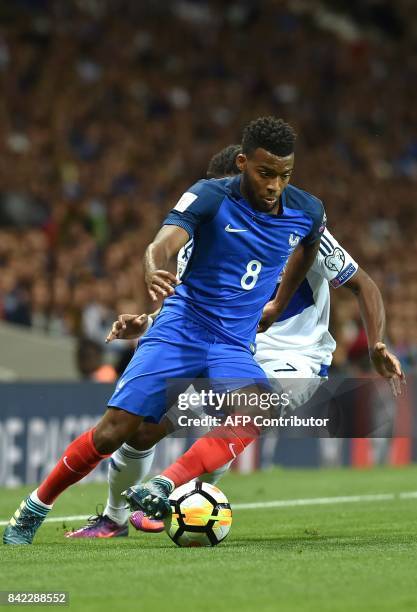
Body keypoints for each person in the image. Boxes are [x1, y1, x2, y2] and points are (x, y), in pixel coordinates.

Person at [3, 116, 327, 545]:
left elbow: (307, 249)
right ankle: (34, 508)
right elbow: (162, 244)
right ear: (244, 162)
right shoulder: (211, 195)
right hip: (181, 329)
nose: (273, 185)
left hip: (232, 344)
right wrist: (156, 269)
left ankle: (163, 484)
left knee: (258, 408)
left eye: (283, 176)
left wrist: (280, 302)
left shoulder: (307, 210)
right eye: (265, 173)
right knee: (113, 431)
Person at [68, 144, 404, 538]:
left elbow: (364, 285)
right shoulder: (202, 235)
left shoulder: (298, 225)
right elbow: (192, 309)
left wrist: (376, 343)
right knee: (145, 429)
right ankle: (114, 518)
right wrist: (147, 322)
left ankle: (165, 487)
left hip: (295, 356)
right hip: (229, 347)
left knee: (245, 414)